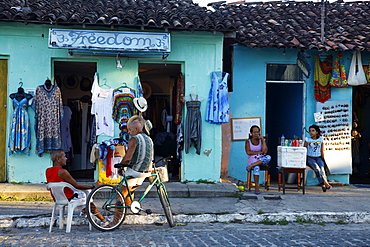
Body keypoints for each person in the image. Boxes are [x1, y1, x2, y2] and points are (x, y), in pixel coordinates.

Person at [106, 118, 154, 228]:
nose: (128, 132)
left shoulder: (134, 139)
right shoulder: (149, 139)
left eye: (130, 130)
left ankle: (115, 222)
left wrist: (120, 167)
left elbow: (128, 158)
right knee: (129, 189)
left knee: (120, 196)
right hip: (145, 172)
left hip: (135, 171)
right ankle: (127, 208)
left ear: (136, 129)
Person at [45, 149, 105, 221]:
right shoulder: (63, 172)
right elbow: (77, 186)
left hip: (57, 198)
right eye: (64, 157)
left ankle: (85, 210)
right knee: (87, 197)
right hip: (68, 197)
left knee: (82, 195)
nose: (66, 159)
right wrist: (93, 187)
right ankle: (103, 220)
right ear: (58, 159)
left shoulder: (48, 171)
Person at [304, 124, 332, 192]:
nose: (311, 132)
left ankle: (323, 185)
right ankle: (325, 183)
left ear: (317, 132)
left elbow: (322, 150)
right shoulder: (307, 139)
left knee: (322, 169)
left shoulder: (321, 139)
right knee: (316, 168)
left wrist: (323, 159)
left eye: (313, 131)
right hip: (310, 158)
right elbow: (304, 150)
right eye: (310, 131)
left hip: (318, 158)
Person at [245, 125, 271, 195]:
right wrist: (259, 152)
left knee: (268, 157)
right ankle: (256, 187)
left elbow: (265, 151)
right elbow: (248, 152)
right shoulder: (248, 142)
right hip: (253, 160)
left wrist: (263, 140)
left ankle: (250, 167)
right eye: (255, 132)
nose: (256, 134)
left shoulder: (261, 141)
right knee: (256, 168)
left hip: (262, 160)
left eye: (258, 132)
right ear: (251, 133)